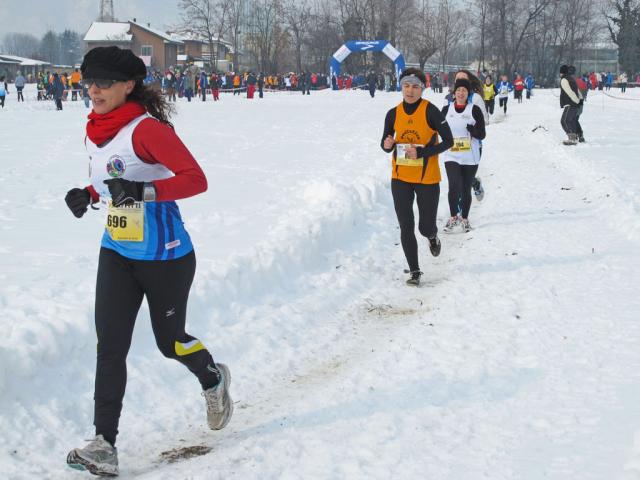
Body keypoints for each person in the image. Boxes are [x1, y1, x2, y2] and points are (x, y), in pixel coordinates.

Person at [63, 46, 233, 477]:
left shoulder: (148, 130)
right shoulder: (94, 129)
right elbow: (113, 178)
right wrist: (91, 194)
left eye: (103, 82)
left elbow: (197, 180)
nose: (93, 89)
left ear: (128, 86)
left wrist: (143, 194)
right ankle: (104, 443)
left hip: (166, 256)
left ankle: (212, 376)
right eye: (89, 81)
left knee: (170, 342)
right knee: (110, 346)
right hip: (117, 251)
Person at [380, 68, 453, 286]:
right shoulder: (393, 113)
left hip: (427, 178)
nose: (410, 91)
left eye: (415, 86)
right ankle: (414, 271)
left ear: (422, 88)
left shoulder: (431, 111)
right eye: (406, 85)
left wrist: (421, 152)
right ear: (401, 87)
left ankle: (432, 236)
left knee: (424, 226)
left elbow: (448, 141)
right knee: (405, 225)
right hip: (400, 177)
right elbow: (385, 142)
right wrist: (387, 144)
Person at [441, 78, 486, 233]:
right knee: (454, 186)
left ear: (468, 94)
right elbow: (437, 129)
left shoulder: (474, 110)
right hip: (451, 154)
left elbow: (482, 134)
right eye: (458, 90)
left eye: (464, 91)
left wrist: (472, 130)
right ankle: (453, 217)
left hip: (470, 156)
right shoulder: (446, 110)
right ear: (454, 93)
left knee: (465, 188)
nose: (461, 93)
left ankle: (465, 219)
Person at [559, 64, 582, 145]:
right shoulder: (571, 79)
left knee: (564, 121)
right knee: (570, 121)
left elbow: (570, 92)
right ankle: (575, 137)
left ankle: (572, 138)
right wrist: (579, 101)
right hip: (574, 104)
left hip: (570, 103)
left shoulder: (564, 80)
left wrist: (576, 101)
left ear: (562, 72)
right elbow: (577, 91)